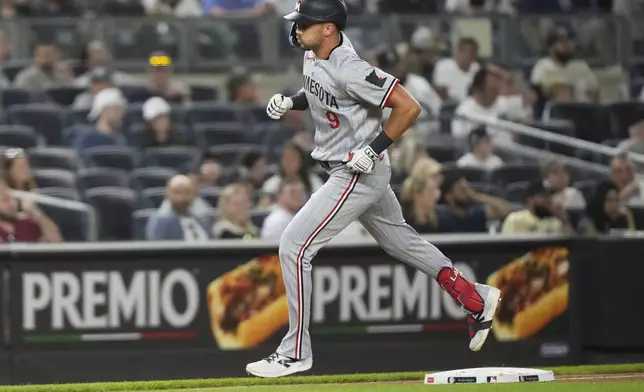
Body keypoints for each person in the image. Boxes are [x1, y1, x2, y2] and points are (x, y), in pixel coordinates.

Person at [245, 0, 502, 378]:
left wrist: (373, 148)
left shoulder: (351, 66)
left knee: (295, 247)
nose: (297, 29)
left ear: (328, 28)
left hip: (355, 169)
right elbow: (322, 93)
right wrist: (292, 102)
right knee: (401, 243)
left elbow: (409, 107)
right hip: (354, 167)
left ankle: (295, 351)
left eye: (304, 22)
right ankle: (475, 297)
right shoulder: (317, 53)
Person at [530, 26, 599, 103]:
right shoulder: (542, 66)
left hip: (583, 109)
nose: (568, 45)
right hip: (557, 109)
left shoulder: (581, 66)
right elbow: (539, 92)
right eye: (563, 42)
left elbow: (595, 91)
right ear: (551, 47)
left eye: (570, 42)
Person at [451, 67, 514, 144]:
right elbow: (459, 139)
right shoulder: (465, 111)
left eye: (497, 89)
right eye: (492, 89)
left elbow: (527, 99)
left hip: (509, 152)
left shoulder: (504, 104)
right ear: (479, 89)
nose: (496, 94)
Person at [145, 175, 213, 241]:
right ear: (168, 194)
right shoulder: (160, 222)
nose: (182, 197)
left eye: (187, 192)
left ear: (194, 194)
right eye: (177, 192)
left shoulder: (202, 219)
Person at [439, 175, 512, 233]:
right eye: (462, 190)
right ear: (449, 196)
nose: (467, 193)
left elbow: (505, 211)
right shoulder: (442, 219)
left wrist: (475, 196)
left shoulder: (476, 214)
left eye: (468, 188)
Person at [501, 180, 572, 234]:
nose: (548, 200)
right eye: (544, 196)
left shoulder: (555, 221)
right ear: (530, 199)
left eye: (550, 196)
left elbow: (568, 245)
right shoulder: (516, 219)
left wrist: (564, 220)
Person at [73, 88, 127, 152]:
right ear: (103, 111)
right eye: (117, 110)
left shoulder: (123, 138)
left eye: (122, 110)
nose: (121, 114)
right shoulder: (87, 139)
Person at [432, 37, 480, 101]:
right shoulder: (443, 66)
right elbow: (441, 92)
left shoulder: (477, 69)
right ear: (459, 52)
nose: (470, 56)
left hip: (469, 106)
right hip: (448, 106)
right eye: (466, 52)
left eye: (473, 53)